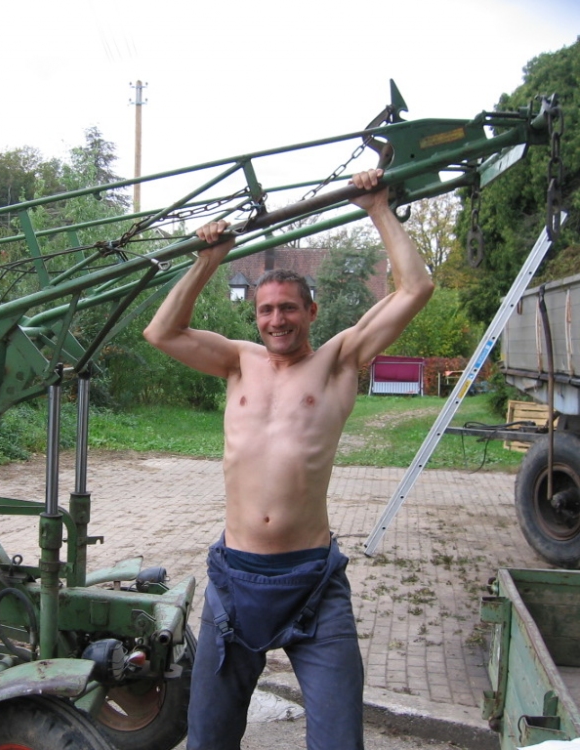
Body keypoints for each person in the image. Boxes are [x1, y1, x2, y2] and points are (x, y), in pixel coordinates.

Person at [143, 168, 434, 750]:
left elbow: (414, 290)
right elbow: (162, 331)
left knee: (337, 742)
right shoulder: (236, 362)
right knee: (208, 740)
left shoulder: (339, 361)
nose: (277, 320)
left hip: (313, 584)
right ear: (255, 316)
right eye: (266, 310)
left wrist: (377, 207)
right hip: (234, 580)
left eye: (288, 308)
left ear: (311, 311)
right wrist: (208, 258)